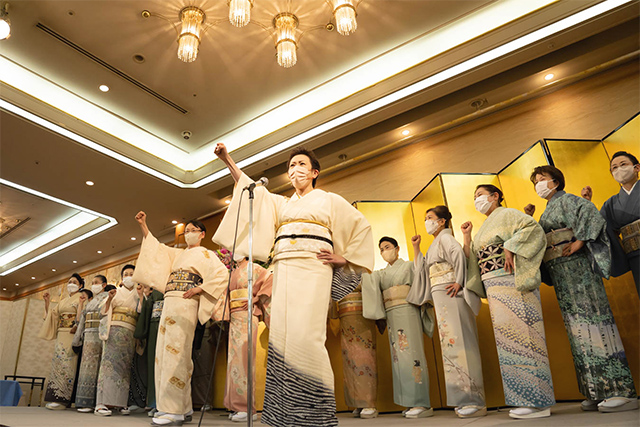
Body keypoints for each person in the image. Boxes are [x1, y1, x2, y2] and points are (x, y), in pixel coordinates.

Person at [213, 143, 374, 427]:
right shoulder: (283, 204)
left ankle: (315, 413)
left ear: (314, 172)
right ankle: (284, 414)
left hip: (314, 267)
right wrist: (228, 160)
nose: (294, 170)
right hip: (284, 267)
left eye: (301, 165)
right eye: (290, 166)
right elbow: (250, 188)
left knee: (308, 336)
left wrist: (344, 257)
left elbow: (361, 226)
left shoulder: (329, 200)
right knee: (282, 336)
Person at [528, 165, 637, 413]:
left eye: (542, 179)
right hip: (561, 270)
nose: (538, 184)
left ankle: (620, 389)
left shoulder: (569, 200)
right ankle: (595, 390)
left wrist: (579, 242)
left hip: (578, 269)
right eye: (535, 181)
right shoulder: (547, 211)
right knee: (577, 329)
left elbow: (592, 216)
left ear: (556, 181)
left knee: (594, 321)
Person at [462, 184, 555, 419]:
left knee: (525, 335)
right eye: (474, 197)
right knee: (508, 341)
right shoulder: (485, 225)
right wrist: (466, 237)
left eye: (480, 195)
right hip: (494, 283)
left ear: (495, 196)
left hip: (512, 278)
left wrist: (510, 247)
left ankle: (539, 402)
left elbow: (532, 229)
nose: (477, 200)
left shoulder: (509, 214)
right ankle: (524, 398)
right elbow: (474, 256)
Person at [133, 213, 228, 426]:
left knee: (178, 352)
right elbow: (155, 248)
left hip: (187, 302)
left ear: (202, 234)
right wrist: (144, 225)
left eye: (193, 231)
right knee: (163, 354)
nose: (188, 234)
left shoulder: (206, 254)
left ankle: (173, 410)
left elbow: (222, 274)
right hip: (170, 301)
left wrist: (200, 288)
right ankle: (180, 407)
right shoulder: (177, 254)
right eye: (186, 231)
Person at [409, 205, 486, 418]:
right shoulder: (435, 243)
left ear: (442, 221)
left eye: (430, 217)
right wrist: (416, 248)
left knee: (462, 342)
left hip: (451, 292)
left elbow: (459, 257)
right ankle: (463, 398)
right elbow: (423, 269)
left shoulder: (446, 239)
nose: (427, 221)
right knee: (451, 343)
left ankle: (475, 400)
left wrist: (459, 282)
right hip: (441, 294)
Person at [362, 237, 433, 419]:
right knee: (399, 357)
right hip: (392, 313)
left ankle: (422, 402)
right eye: (381, 249)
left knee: (412, 353)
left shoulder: (409, 265)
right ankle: (409, 401)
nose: (384, 251)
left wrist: (416, 247)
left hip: (408, 309)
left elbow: (420, 272)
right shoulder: (382, 274)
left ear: (397, 248)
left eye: (387, 247)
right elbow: (367, 279)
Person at [221, 253, 273, 423]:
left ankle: (247, 408)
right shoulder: (234, 271)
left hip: (247, 315)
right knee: (234, 360)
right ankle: (236, 405)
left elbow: (271, 279)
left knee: (244, 358)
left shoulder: (255, 268)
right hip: (235, 316)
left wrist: (256, 298)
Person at [582, 151, 640, 296]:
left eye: (623, 164)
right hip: (635, 256)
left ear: (637, 168)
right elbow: (600, 226)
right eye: (614, 168)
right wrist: (588, 204)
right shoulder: (611, 204)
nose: (618, 169)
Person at [94, 265, 140, 416]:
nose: (128, 276)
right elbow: (104, 311)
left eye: (131, 274)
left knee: (124, 368)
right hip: (114, 330)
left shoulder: (138, 294)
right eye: (125, 274)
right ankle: (101, 403)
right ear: (121, 278)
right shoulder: (116, 292)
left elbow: (140, 311)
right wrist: (110, 298)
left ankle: (120, 403)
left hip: (130, 332)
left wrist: (141, 295)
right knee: (108, 366)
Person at [39, 273, 83, 410]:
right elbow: (53, 315)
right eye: (70, 281)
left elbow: (83, 315)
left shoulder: (82, 298)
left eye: (74, 282)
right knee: (58, 363)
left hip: (72, 333)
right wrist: (47, 302)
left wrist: (76, 326)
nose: (71, 284)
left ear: (81, 285)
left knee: (68, 364)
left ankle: (64, 399)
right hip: (61, 333)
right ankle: (56, 397)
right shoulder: (63, 300)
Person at [337, 283, 379, 419]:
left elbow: (371, 285)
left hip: (362, 314)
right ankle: (357, 402)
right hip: (344, 315)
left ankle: (369, 403)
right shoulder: (336, 272)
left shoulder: (361, 268)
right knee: (349, 359)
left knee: (364, 357)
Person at [73, 275, 109, 412]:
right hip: (88, 335)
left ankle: (94, 402)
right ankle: (84, 401)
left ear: (104, 285)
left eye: (96, 283)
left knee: (97, 367)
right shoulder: (91, 301)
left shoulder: (106, 297)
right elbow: (82, 319)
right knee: (86, 367)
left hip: (98, 334)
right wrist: (78, 338)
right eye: (92, 283)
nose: (93, 285)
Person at [134, 284, 164, 418]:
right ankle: (154, 403)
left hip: (169, 328)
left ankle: (166, 405)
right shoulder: (154, 294)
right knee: (154, 366)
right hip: (154, 329)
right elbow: (146, 310)